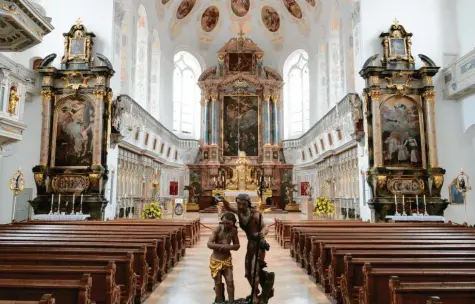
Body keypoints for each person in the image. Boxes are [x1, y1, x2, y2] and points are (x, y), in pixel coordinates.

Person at [217, 193, 275, 304]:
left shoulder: (255, 215)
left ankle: (254, 295)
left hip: (258, 245)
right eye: (239, 204)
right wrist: (223, 200)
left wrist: (262, 234)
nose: (240, 206)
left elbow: (265, 227)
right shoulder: (239, 212)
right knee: (248, 274)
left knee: (254, 272)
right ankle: (260, 288)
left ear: (248, 204)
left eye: (243, 204)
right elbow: (229, 207)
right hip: (250, 245)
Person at [208, 212, 240, 303]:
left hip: (227, 260)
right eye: (224, 222)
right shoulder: (217, 229)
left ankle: (231, 302)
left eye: (228, 223)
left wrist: (229, 247)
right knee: (218, 283)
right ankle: (220, 301)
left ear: (233, 223)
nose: (225, 225)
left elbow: (237, 245)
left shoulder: (234, 231)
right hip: (216, 260)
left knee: (230, 282)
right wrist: (221, 247)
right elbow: (209, 244)